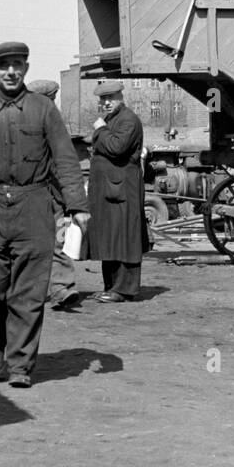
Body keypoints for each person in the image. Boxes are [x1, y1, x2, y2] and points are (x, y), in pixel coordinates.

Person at [0, 42, 89, 388]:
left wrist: (78, 206)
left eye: (17, 65)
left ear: (25, 68)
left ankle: (21, 364)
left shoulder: (44, 110)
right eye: (3, 66)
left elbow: (66, 160)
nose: (10, 72)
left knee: (28, 292)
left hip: (33, 205)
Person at [85, 81, 147, 302]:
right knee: (111, 237)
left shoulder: (128, 119)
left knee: (125, 237)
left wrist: (99, 130)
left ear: (122, 95)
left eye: (111, 97)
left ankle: (123, 289)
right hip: (113, 189)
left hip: (123, 189)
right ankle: (111, 287)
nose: (106, 102)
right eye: (103, 99)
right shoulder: (114, 119)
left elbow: (116, 147)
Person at [27, 78, 82, 310]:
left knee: (59, 242)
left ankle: (62, 289)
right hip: (31, 197)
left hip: (54, 197)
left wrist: (74, 201)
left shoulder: (54, 126)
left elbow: (65, 165)